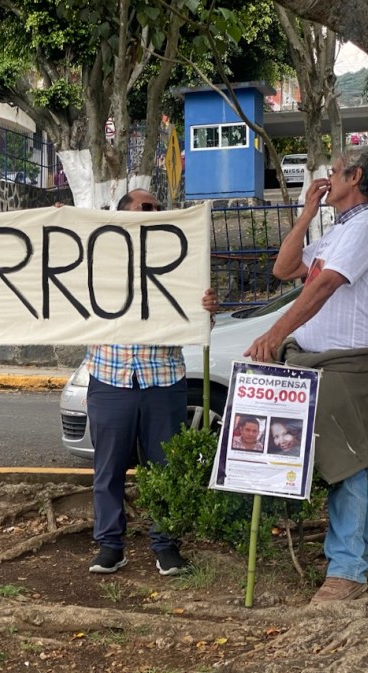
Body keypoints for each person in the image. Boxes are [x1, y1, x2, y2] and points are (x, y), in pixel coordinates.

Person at [245, 145, 368, 604]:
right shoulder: (341, 231)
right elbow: (285, 268)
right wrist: (307, 211)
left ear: (355, 178)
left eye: (334, 171)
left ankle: (347, 569)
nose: (326, 177)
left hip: (342, 362)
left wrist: (273, 334)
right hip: (319, 360)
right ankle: (363, 556)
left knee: (341, 460)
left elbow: (326, 285)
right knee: (346, 455)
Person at [87, 188, 219, 577]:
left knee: (164, 468)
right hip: (110, 376)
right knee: (108, 469)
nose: (156, 212)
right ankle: (110, 545)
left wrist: (208, 309)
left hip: (163, 379)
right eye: (147, 208)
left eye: (159, 208)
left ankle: (166, 545)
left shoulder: (179, 263)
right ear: (125, 216)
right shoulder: (98, 262)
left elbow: (197, 322)